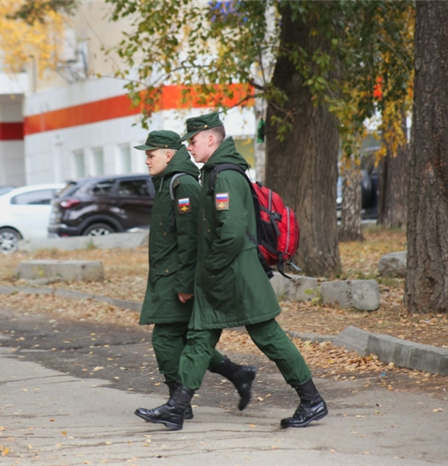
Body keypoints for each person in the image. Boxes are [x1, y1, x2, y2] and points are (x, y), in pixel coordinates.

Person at [136, 113, 328, 431]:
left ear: (211, 139)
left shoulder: (224, 176)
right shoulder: (214, 173)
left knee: (271, 339)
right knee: (198, 339)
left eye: (193, 141)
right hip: (223, 278)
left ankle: (311, 400)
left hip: (237, 279)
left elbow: (232, 233)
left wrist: (208, 269)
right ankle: (177, 406)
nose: (190, 147)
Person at [133, 130, 257, 422]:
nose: (147, 161)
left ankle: (179, 403)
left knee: (166, 339)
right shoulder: (169, 182)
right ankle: (236, 374)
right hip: (167, 276)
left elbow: (191, 238)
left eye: (151, 155)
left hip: (177, 277)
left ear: (168, 154)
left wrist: (185, 281)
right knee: (178, 339)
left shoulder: (183, 183)